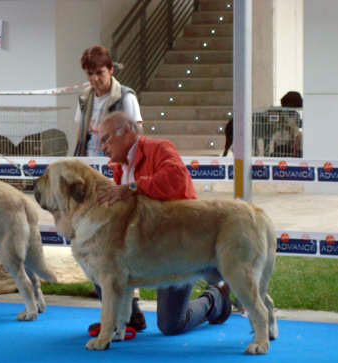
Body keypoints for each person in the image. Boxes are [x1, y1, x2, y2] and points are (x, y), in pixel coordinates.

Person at [91, 111, 232, 337]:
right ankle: (131, 316)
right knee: (100, 266)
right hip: (145, 251)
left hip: (177, 247)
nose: (103, 147)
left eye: (106, 139)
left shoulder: (160, 148)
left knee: (171, 324)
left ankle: (216, 299)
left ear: (126, 132)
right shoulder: (118, 168)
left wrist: (132, 187)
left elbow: (175, 179)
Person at [73, 45, 147, 333]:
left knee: (113, 250)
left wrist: (130, 180)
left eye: (100, 73)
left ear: (111, 70)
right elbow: (79, 137)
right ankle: (121, 314)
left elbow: (138, 135)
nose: (95, 80)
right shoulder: (84, 99)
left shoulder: (127, 98)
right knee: (92, 248)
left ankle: (128, 314)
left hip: (117, 180)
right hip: (90, 181)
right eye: (90, 74)